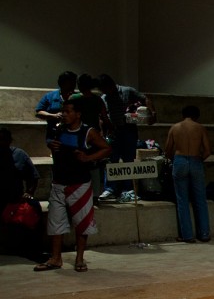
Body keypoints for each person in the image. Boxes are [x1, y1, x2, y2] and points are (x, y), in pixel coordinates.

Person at [34, 94, 112, 273]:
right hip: (59, 182)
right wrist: (51, 145)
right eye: (63, 111)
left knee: (82, 223)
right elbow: (52, 143)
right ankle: (55, 258)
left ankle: (79, 258)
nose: (64, 114)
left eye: (68, 111)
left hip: (80, 184)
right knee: (55, 222)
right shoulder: (59, 129)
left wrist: (88, 158)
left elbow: (107, 148)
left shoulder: (88, 132)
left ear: (78, 114)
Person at [97, 74, 155, 202]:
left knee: (128, 160)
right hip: (112, 132)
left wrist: (152, 113)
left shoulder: (127, 91)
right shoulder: (104, 98)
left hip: (128, 130)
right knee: (111, 161)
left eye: (105, 89)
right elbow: (102, 117)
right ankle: (110, 189)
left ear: (111, 84)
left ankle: (128, 189)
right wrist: (103, 131)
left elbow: (145, 98)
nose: (105, 92)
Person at [165, 105, 212, 243]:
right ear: (197, 116)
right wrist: (198, 160)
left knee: (182, 200)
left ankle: (187, 235)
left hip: (180, 161)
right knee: (200, 199)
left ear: (183, 114)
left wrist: (175, 160)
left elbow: (167, 150)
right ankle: (204, 233)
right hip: (195, 160)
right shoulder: (200, 128)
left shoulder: (175, 128)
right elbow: (208, 151)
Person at [0, 126, 44, 261]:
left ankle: (31, 249)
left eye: (4, 140)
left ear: (10, 141)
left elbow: (33, 177)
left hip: (15, 199)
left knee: (34, 207)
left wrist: (29, 192)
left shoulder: (19, 154)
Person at [34, 71, 78, 140]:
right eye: (70, 82)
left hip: (73, 134)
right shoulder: (50, 96)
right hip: (54, 133)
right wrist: (53, 115)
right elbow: (39, 112)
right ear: (62, 83)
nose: (73, 85)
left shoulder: (78, 97)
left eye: (74, 83)